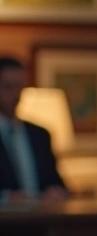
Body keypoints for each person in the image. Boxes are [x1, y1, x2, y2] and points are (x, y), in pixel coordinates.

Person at [0, 56, 69, 204]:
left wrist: (55, 191)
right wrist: (5, 198)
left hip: (40, 220)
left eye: (20, 86)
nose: (16, 94)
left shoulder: (39, 135)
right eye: (8, 86)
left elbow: (56, 182)